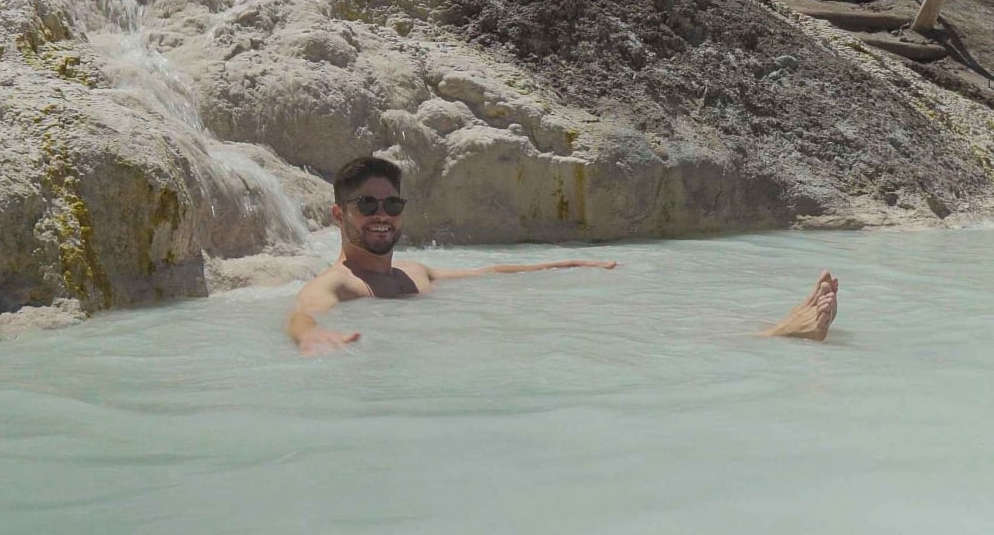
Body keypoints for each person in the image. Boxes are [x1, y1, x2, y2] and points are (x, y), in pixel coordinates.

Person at [286, 155, 840, 355]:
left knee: (630, 320)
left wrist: (566, 266)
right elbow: (304, 311)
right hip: (435, 357)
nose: (381, 214)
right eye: (366, 205)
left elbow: (491, 272)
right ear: (339, 214)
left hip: (464, 340)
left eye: (391, 203)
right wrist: (310, 337)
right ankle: (776, 338)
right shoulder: (340, 285)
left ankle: (760, 328)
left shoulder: (413, 272)